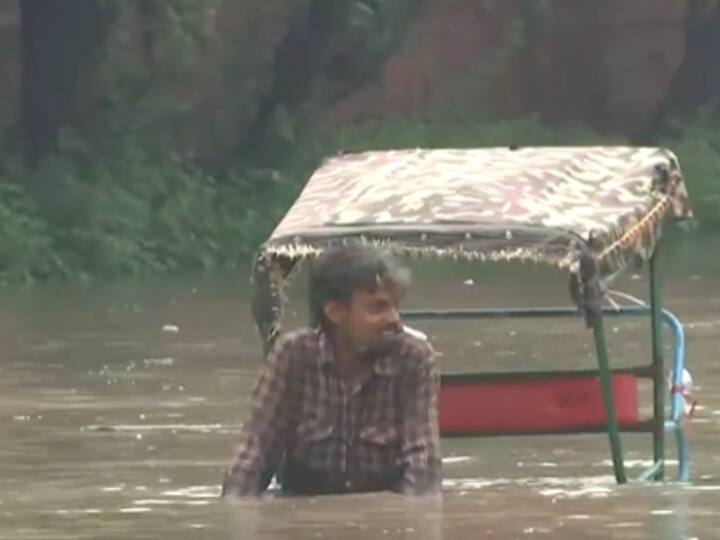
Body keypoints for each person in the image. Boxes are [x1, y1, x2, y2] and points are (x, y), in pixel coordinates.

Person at [222, 244, 441, 497]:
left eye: (394, 306)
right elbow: (252, 457)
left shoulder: (413, 357)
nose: (394, 319)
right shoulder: (293, 356)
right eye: (377, 308)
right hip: (304, 513)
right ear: (335, 312)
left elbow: (423, 464)